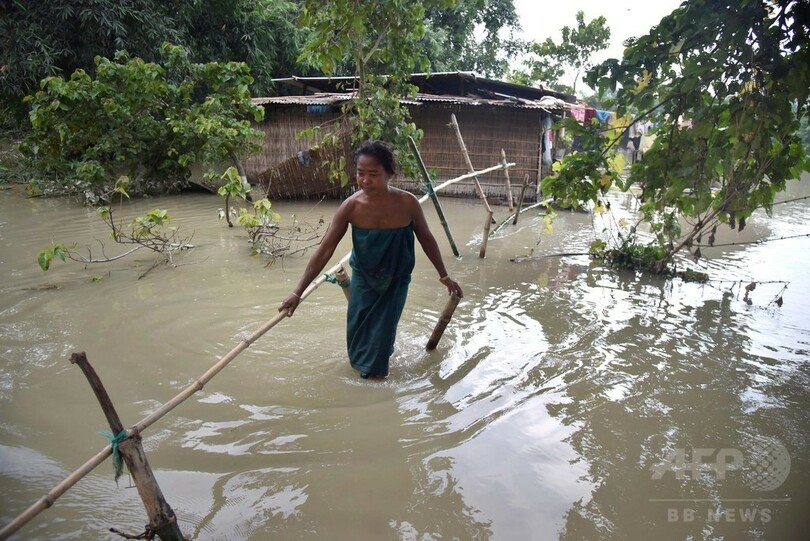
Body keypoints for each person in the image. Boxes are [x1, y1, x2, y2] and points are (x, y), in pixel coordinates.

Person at [279, 140, 464, 379]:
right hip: (364, 280)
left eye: (373, 174)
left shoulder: (407, 203)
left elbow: (427, 240)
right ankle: (368, 373)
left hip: (396, 280)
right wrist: (298, 293)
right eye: (360, 173)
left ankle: (376, 383)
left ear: (389, 174)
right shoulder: (351, 207)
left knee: (383, 331)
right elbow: (325, 249)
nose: (365, 180)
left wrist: (445, 276)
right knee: (358, 332)